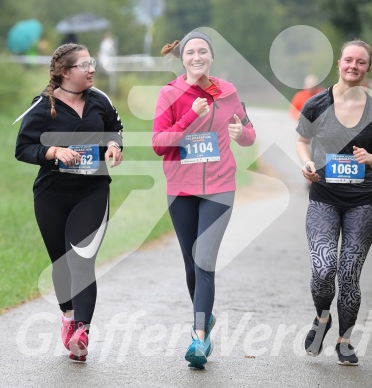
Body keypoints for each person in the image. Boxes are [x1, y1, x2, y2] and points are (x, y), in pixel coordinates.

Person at [152, 31, 256, 369]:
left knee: (204, 260)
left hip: (219, 186)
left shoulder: (227, 92)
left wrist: (244, 134)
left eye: (203, 52)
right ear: (181, 59)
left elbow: (248, 130)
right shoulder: (169, 94)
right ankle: (205, 316)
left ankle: (199, 337)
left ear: (211, 57)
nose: (197, 57)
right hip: (180, 189)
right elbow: (159, 143)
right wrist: (190, 116)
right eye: (190, 53)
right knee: (190, 265)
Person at [14, 43, 124, 362]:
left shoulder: (100, 101)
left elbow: (115, 129)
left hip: (92, 190)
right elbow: (22, 148)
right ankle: (67, 314)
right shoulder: (41, 106)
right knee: (62, 263)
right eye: (84, 64)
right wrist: (52, 152)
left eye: (92, 63)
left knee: (81, 259)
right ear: (66, 72)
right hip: (51, 194)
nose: (92, 69)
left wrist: (115, 146)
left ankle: (82, 330)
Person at [295, 39, 372, 366]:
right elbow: (301, 141)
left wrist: (370, 158)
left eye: (361, 62)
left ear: (368, 68)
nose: (354, 66)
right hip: (323, 198)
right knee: (324, 269)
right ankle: (322, 320)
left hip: (363, 202)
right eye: (349, 59)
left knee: (349, 272)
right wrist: (306, 164)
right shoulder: (316, 104)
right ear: (339, 63)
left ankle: (345, 340)